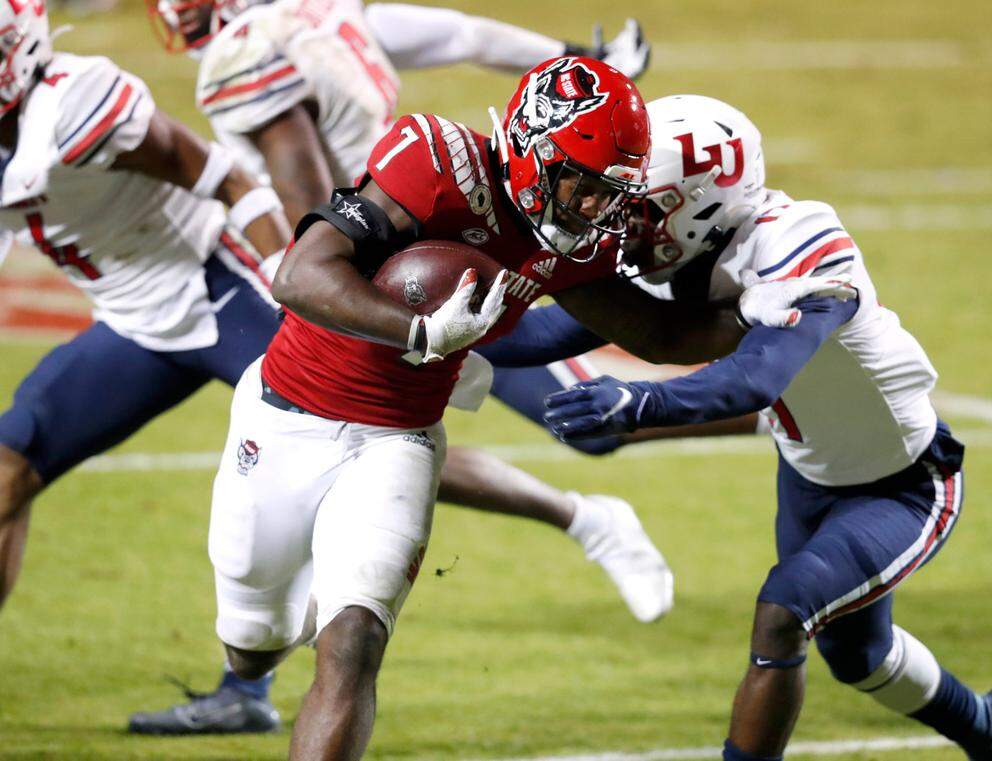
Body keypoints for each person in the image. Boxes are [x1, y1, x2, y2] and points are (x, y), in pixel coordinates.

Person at [205, 58, 823, 759]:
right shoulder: (436, 162)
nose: (594, 209)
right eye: (583, 186)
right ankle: (295, 593)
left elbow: (657, 333)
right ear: (533, 146)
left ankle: (344, 577)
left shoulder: (580, 238)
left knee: (353, 642)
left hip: (397, 440)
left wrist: (764, 312)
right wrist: (418, 331)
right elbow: (299, 274)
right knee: (252, 647)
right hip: (284, 414)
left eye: (608, 193)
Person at [127, 0, 669, 734]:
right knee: (252, 641)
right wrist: (405, 312)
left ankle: (572, 520)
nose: (183, 17)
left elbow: (305, 212)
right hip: (394, 273)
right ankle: (290, 613)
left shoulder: (248, 50)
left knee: (353, 640)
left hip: (411, 307)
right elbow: (459, 37)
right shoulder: (338, 35)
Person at [541, 95, 992, 761]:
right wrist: (429, 324)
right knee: (858, 655)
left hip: (903, 484)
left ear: (701, 203)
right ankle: (989, 727)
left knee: (782, 615)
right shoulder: (687, 254)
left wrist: (639, 404)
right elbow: (550, 328)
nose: (621, 217)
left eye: (642, 202)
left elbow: (756, 378)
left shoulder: (804, 245)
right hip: (808, 472)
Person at [0, 0, 291, 645]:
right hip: (137, 325)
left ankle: (569, 515)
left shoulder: (76, 108)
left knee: (356, 438)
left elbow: (224, 177)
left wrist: (292, 282)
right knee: (7, 469)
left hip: (219, 290)